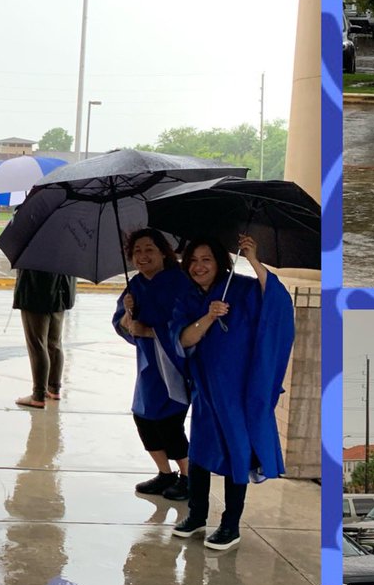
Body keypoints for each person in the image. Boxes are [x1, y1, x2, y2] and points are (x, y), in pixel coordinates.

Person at [168, 234, 295, 551]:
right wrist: (209, 316)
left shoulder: (242, 288)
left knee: (236, 453)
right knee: (199, 453)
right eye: (193, 261)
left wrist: (253, 259)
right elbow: (183, 339)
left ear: (220, 262)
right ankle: (197, 515)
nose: (198, 267)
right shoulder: (186, 296)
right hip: (206, 390)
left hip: (239, 391)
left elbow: (278, 301)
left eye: (206, 260)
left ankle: (230, 524)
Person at [113, 228, 192, 500]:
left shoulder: (179, 282)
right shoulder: (134, 285)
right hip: (147, 365)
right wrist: (127, 315)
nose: (142, 255)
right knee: (143, 417)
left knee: (169, 421)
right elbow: (122, 324)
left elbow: (186, 324)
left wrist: (150, 331)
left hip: (173, 364)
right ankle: (165, 473)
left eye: (149, 249)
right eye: (137, 251)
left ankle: (189, 477)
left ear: (163, 253)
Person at [13, 268, 76, 408]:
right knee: (55, 343)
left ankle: (38, 395)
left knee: (38, 345)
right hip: (61, 291)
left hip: (35, 291)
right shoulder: (68, 253)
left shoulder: (35, 253)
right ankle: (54, 388)